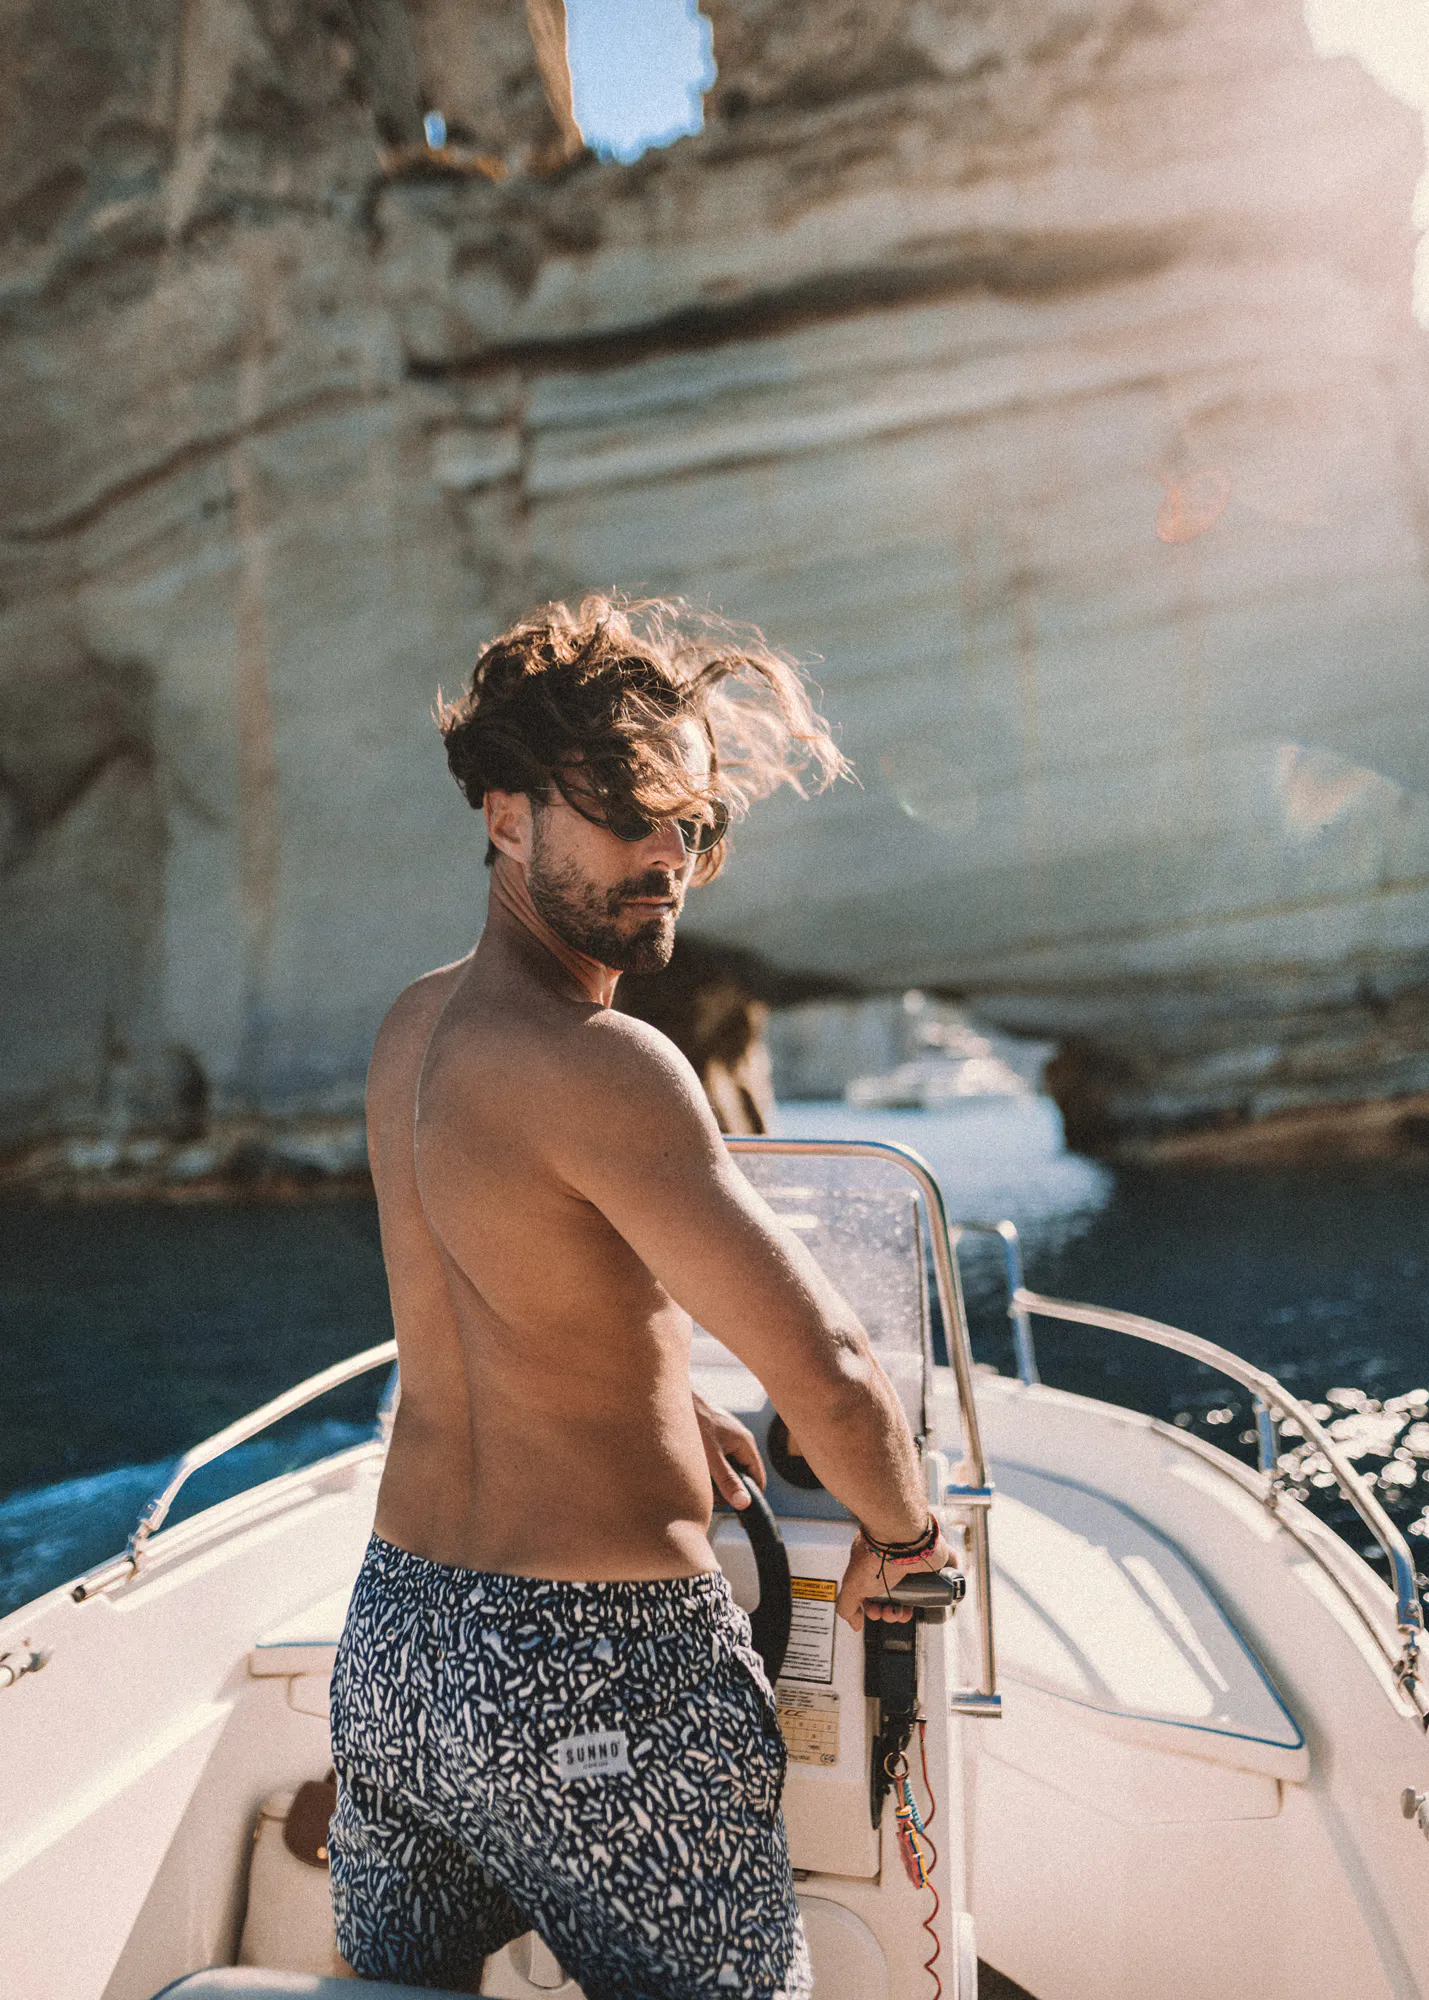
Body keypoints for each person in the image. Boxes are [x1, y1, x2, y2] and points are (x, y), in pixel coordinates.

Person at [328, 596, 958, 1998]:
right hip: (598, 1666)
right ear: (506, 819)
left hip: (401, 1646)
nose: (667, 856)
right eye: (624, 815)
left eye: (692, 823)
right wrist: (906, 1538)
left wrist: (659, 1393)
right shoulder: (605, 1062)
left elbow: (496, 1287)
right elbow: (833, 1370)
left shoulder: (412, 1029)